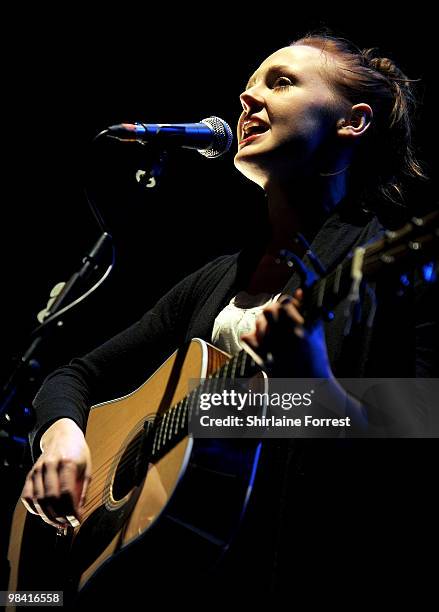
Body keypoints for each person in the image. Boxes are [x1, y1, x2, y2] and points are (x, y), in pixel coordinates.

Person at [18, 33, 438, 596]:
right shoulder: (216, 280)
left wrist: (308, 378)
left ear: (353, 122)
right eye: (248, 86)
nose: (247, 99)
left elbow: (412, 443)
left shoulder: (386, 269)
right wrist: (61, 436)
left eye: (280, 82)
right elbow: (73, 376)